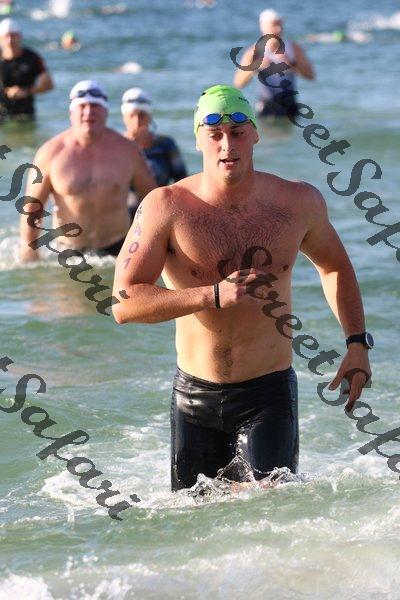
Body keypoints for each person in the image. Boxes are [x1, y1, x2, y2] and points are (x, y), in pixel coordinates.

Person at [112, 84, 372, 491]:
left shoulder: (297, 202)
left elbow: (335, 267)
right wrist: (212, 295)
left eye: (237, 132)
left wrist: (356, 343)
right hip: (194, 399)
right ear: (198, 139)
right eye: (214, 134)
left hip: (268, 394)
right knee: (194, 519)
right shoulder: (165, 206)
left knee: (271, 511)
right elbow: (124, 302)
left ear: (255, 134)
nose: (227, 145)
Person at [20, 80, 156, 261]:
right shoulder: (50, 153)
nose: (88, 112)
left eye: (95, 106)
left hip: (118, 249)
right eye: (82, 106)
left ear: (106, 111)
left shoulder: (128, 150)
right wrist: (29, 249)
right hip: (68, 252)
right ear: (71, 112)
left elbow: (152, 198)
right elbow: (33, 208)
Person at [233, 9, 315, 118]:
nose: (279, 29)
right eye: (275, 25)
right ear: (263, 27)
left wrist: (292, 65)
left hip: (290, 105)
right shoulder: (254, 52)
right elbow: (238, 84)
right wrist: (255, 67)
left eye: (281, 25)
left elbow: (311, 76)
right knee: (266, 128)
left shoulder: (293, 48)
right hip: (266, 106)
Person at [121, 88, 187, 215]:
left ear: (149, 117)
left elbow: (182, 182)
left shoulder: (165, 145)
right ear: (124, 118)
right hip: (124, 215)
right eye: (132, 115)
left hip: (158, 210)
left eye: (142, 115)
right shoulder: (116, 146)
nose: (137, 120)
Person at [0, 18, 54, 121]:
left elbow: (49, 85)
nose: (10, 40)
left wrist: (26, 91)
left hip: (25, 114)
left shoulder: (32, 58)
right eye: (6, 36)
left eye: (13, 36)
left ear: (20, 36)